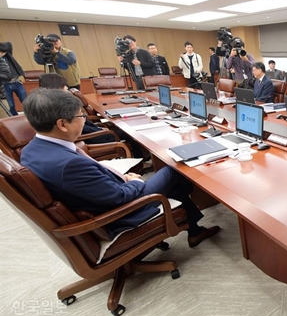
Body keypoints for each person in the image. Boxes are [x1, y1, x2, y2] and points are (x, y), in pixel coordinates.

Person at [20, 88, 220, 245]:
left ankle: (192, 227)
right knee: (175, 169)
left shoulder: (32, 149)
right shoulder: (68, 165)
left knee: (174, 182)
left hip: (104, 196)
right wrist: (133, 181)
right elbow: (118, 198)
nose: (84, 120)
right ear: (62, 124)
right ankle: (190, 224)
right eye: (81, 116)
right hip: (121, 211)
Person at [0, 42, 26, 116]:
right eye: (1, 52)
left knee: (25, 101)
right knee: (10, 105)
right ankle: (14, 117)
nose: (2, 54)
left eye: (3, 52)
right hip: (5, 84)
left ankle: (30, 114)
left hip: (16, 82)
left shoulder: (8, 56)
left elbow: (9, 44)